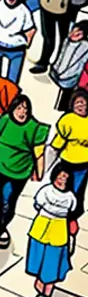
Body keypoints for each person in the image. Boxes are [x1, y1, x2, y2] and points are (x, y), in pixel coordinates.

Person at [0, 94, 48, 250]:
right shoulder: (4, 121)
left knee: (8, 200)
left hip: (19, 172)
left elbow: (39, 153)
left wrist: (39, 172)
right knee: (3, 197)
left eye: (25, 109)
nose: (22, 112)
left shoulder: (34, 127)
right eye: (19, 108)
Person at [27, 164, 77, 297]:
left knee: (53, 259)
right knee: (39, 254)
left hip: (58, 229)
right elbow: (38, 203)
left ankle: (47, 289)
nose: (62, 180)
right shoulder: (46, 191)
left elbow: (71, 211)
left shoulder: (70, 197)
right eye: (60, 176)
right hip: (42, 226)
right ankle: (41, 281)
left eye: (65, 178)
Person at [52, 91, 88, 220]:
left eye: (84, 103)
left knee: (77, 191)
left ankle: (72, 216)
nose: (81, 106)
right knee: (62, 187)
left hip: (84, 165)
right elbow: (58, 143)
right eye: (78, 103)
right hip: (67, 161)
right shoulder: (67, 120)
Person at [51, 21, 88, 111]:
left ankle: (63, 108)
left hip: (70, 78)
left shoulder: (84, 46)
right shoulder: (67, 41)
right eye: (73, 31)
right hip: (58, 73)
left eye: (78, 33)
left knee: (67, 96)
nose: (73, 34)